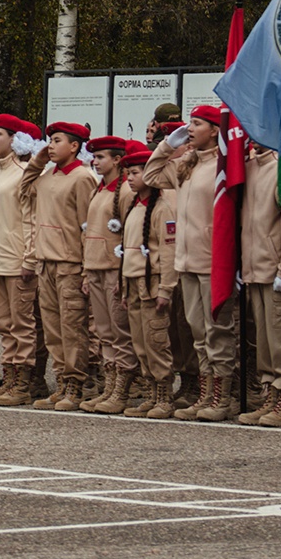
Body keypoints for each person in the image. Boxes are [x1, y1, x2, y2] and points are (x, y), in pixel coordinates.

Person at [145, 107, 241, 420]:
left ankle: (222, 399)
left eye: (197, 124)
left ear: (215, 130)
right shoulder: (187, 163)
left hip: (214, 261)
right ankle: (205, 396)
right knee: (199, 334)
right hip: (187, 261)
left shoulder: (224, 165)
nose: (190, 128)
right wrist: (166, 146)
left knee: (217, 332)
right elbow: (151, 176)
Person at [0, 115, 42, 407]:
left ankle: (24, 383)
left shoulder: (24, 172)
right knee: (4, 325)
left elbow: (31, 220)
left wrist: (29, 258)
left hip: (17, 259)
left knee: (21, 324)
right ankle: (10, 378)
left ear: (15, 140)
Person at [240, 137, 281, 426]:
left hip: (275, 266)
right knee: (263, 340)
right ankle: (270, 394)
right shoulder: (249, 167)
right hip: (253, 265)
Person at [80, 135, 141, 413]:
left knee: (120, 331)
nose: (96, 161)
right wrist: (85, 271)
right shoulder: (99, 190)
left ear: (118, 160)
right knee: (103, 331)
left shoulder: (126, 191)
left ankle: (123, 388)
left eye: (102, 157)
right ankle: (109, 385)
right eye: (95, 156)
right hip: (94, 266)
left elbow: (129, 235)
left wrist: (123, 275)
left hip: (114, 270)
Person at [119, 144, 180, 419]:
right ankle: (151, 392)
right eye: (128, 173)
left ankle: (165, 396)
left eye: (135, 172)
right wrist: (124, 287)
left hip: (152, 283)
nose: (130, 178)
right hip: (133, 283)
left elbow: (168, 252)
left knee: (156, 341)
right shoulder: (134, 206)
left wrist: (166, 288)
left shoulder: (162, 208)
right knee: (141, 342)